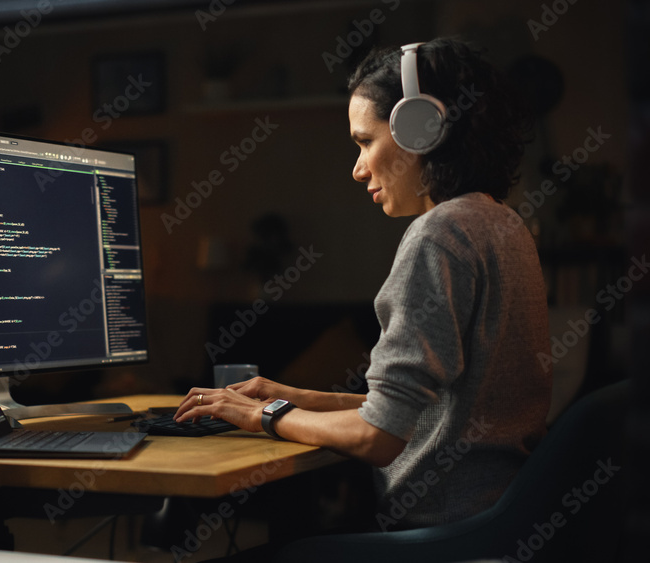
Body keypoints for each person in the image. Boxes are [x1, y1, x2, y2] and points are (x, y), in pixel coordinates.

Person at [175, 37, 551, 538]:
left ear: (422, 130)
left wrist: (266, 415)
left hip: (442, 536)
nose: (357, 168)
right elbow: (416, 413)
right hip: (499, 523)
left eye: (365, 141)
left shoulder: (440, 235)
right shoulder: (502, 224)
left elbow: (379, 437)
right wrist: (292, 396)